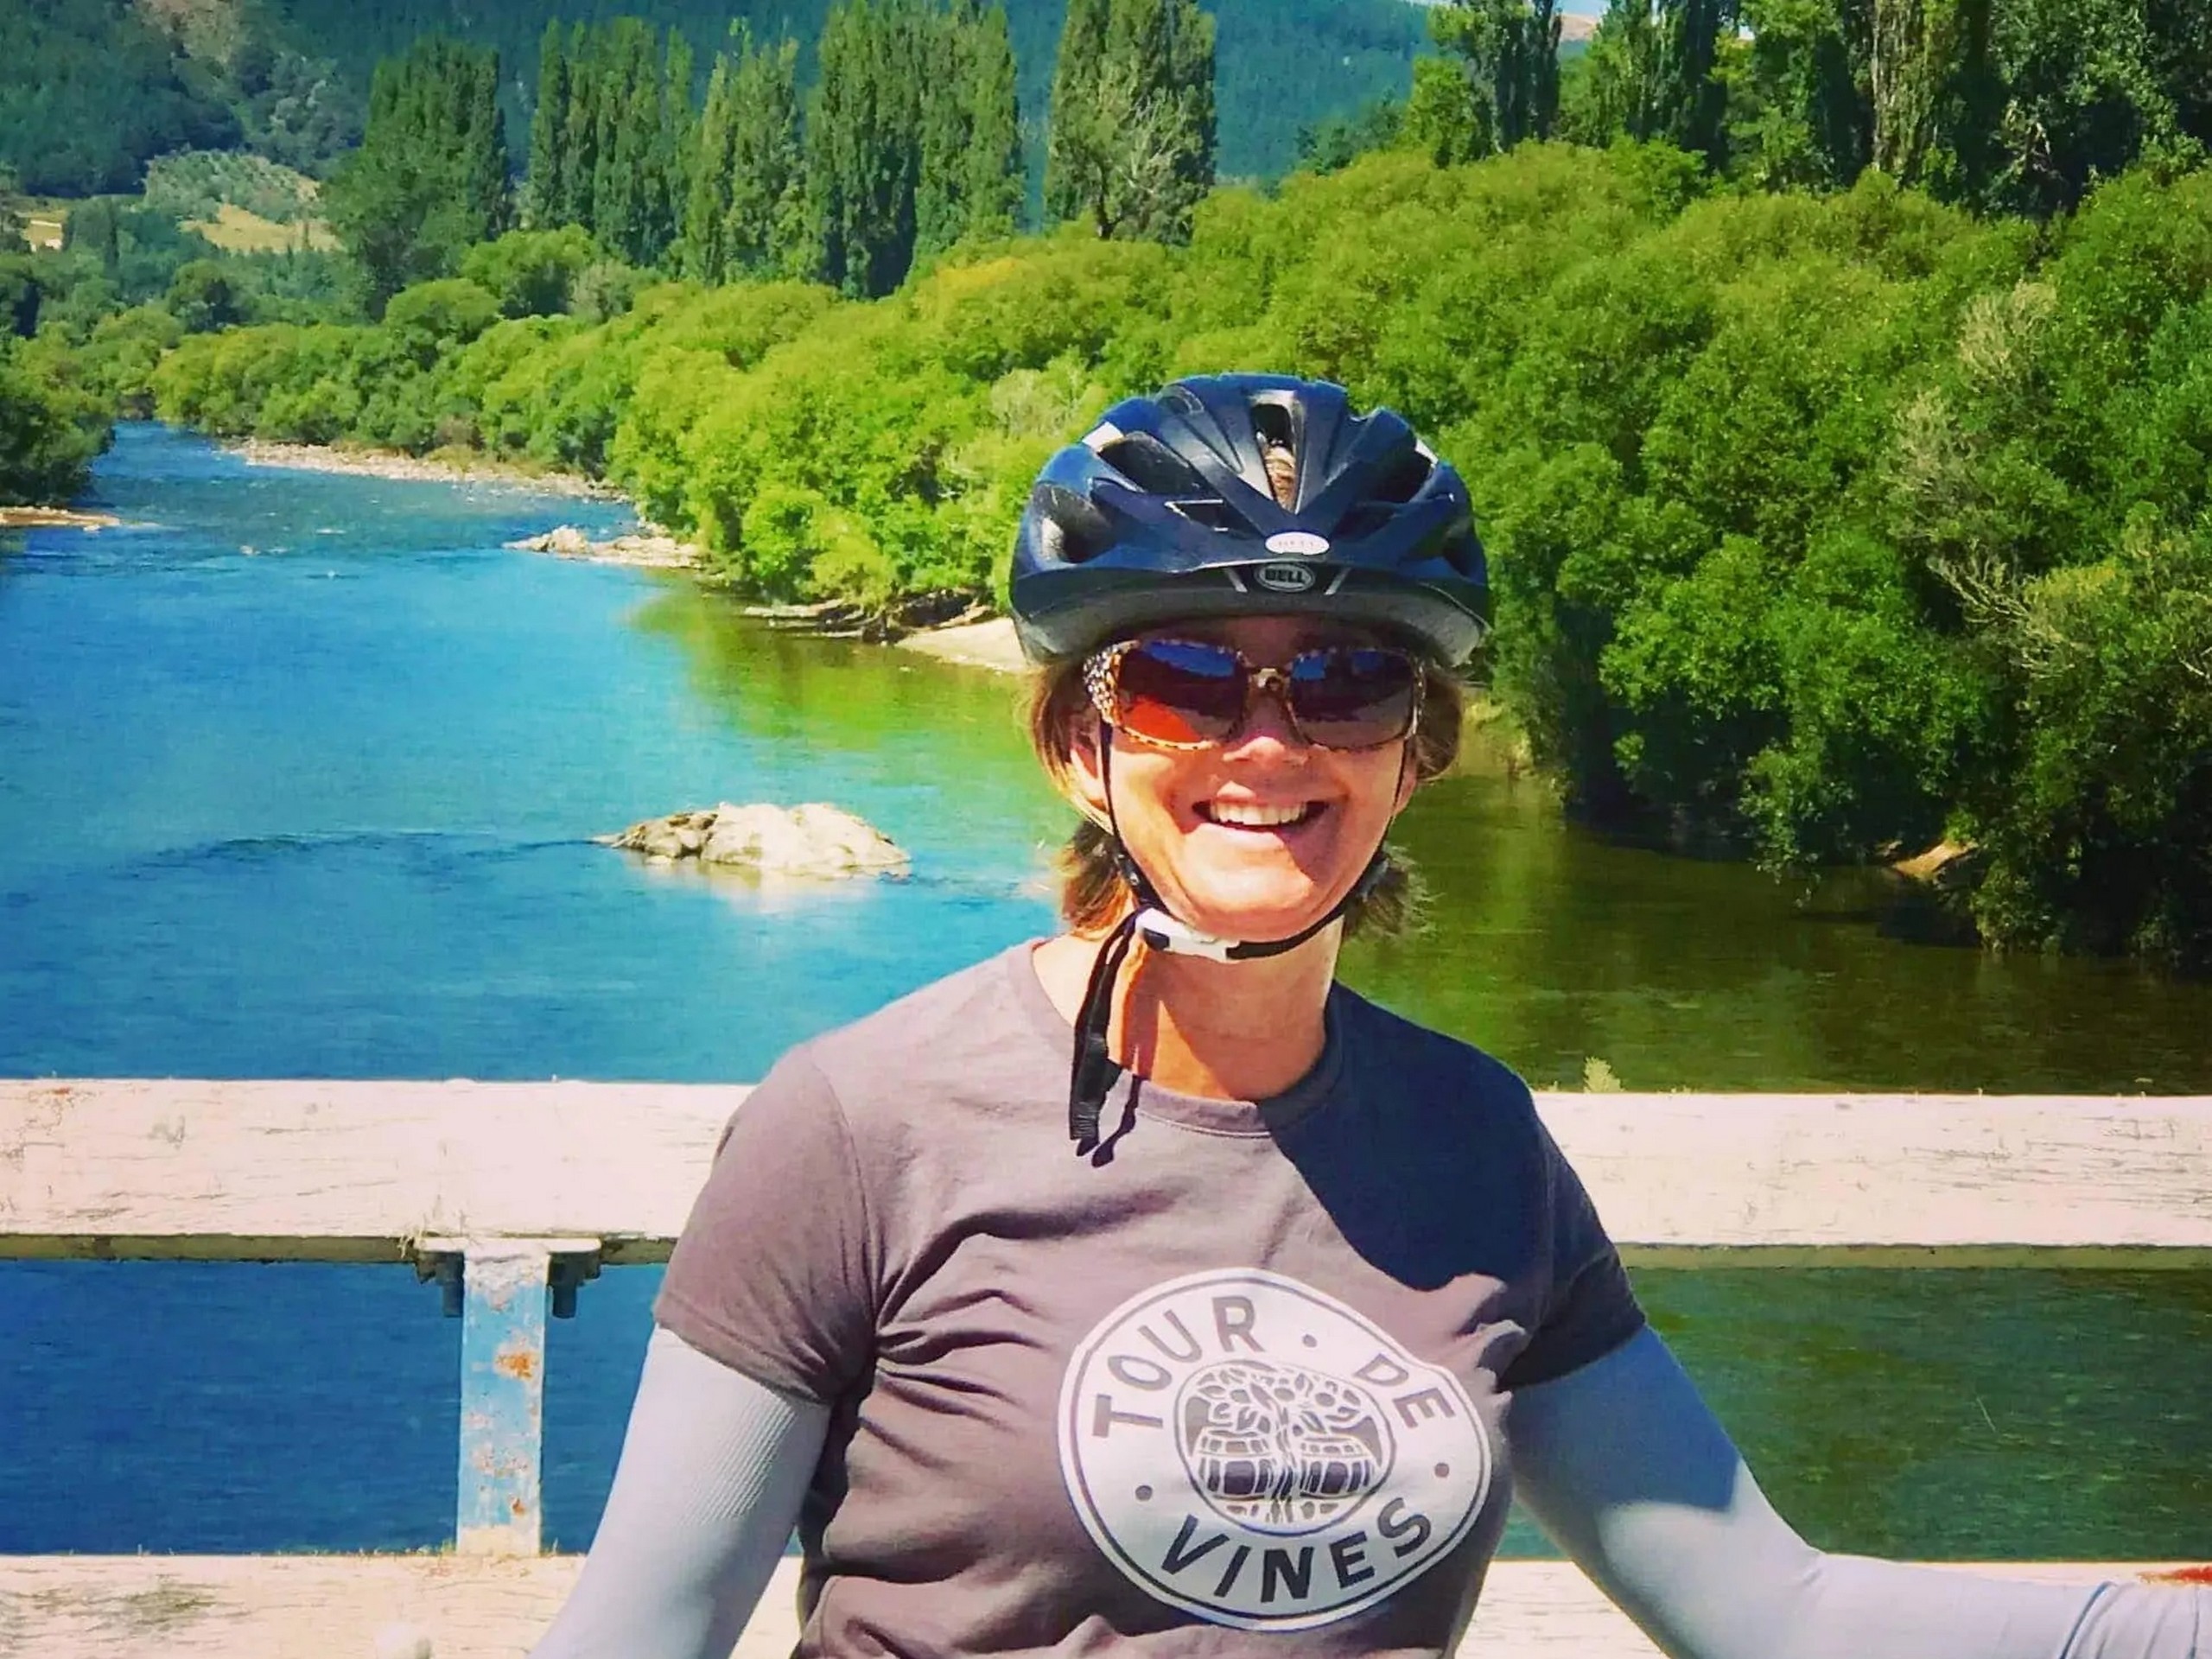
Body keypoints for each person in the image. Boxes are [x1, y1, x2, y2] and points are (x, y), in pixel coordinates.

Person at [531, 375, 2205, 1658]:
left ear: (1417, 753)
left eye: (1343, 681)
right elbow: (639, 1639)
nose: (1269, 743)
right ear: (1074, 743)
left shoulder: (1472, 1143)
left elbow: (1767, 1610)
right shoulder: (860, 1125)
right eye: (1186, 678)